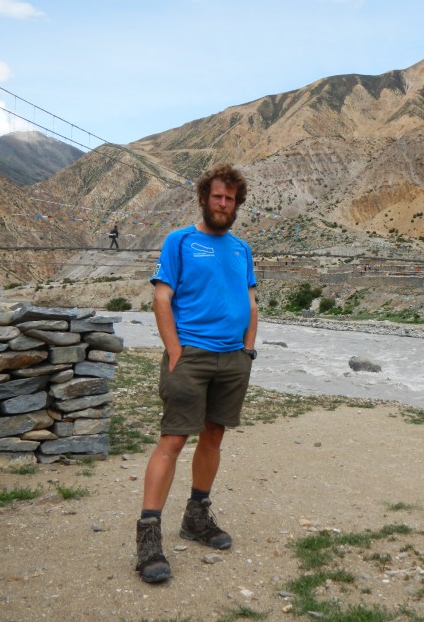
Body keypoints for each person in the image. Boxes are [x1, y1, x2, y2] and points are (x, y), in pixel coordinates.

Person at [135, 163, 258, 584]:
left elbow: (251, 300)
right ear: (204, 198)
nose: (223, 204)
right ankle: (149, 537)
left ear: (236, 204)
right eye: (217, 196)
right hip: (191, 355)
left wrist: (248, 350)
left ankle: (196, 518)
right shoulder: (180, 241)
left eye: (230, 199)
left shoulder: (242, 249)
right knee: (172, 439)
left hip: (232, 359)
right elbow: (162, 297)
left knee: (214, 435)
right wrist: (174, 350)